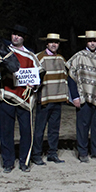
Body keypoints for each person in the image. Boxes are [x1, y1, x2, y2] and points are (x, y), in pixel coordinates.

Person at [0, 24, 41, 173]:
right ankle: (8, 162)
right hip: (8, 96)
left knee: (26, 131)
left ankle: (24, 161)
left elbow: (38, 74)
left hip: (24, 99)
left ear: (24, 38)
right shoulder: (4, 53)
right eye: (14, 34)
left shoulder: (30, 56)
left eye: (19, 35)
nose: (16, 37)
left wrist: (34, 85)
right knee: (6, 131)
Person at [32, 33, 79, 165]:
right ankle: (36, 154)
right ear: (47, 43)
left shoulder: (60, 58)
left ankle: (52, 153)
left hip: (58, 99)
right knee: (39, 129)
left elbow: (69, 74)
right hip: (45, 99)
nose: (54, 45)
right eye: (51, 42)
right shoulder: (39, 57)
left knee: (54, 129)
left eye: (56, 42)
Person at [66, 30, 96, 162]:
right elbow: (71, 77)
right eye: (90, 41)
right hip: (83, 95)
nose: (92, 43)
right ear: (86, 42)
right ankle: (83, 152)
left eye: (94, 40)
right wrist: (74, 96)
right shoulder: (79, 56)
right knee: (83, 125)